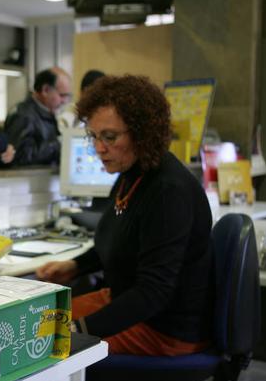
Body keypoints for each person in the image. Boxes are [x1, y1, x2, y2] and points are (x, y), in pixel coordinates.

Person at [36, 75, 214, 356]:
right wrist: (74, 265)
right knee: (34, 323)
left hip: (164, 329)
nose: (98, 148)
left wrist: (78, 330)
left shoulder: (168, 192)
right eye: (93, 136)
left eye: (109, 137)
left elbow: (153, 293)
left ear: (143, 133)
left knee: (42, 346)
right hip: (127, 301)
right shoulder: (131, 174)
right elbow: (121, 241)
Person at [3, 67, 72, 165]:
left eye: (67, 96)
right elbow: (21, 157)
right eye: (62, 95)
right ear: (45, 90)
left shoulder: (46, 112)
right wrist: (58, 144)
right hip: (29, 179)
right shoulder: (23, 115)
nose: (64, 101)